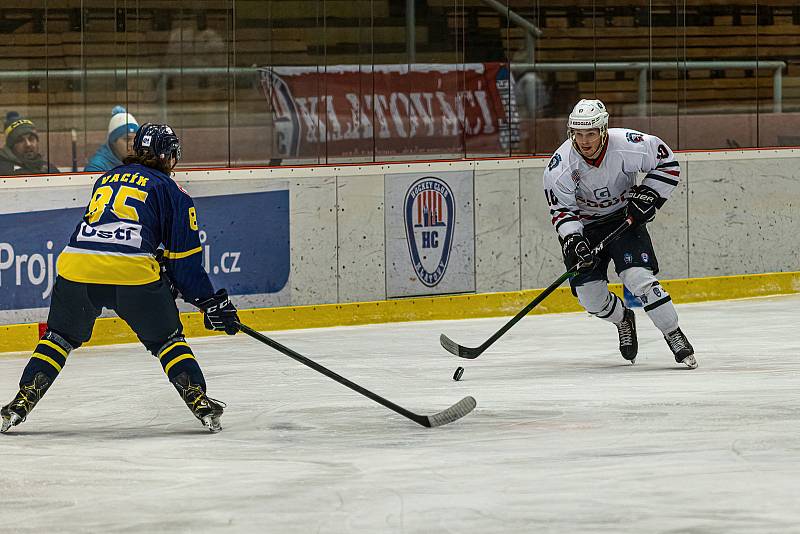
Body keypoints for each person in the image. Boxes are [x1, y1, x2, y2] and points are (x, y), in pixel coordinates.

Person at [1, 123, 240, 434]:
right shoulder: (173, 192)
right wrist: (208, 301)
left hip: (76, 267)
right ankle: (198, 400)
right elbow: (185, 264)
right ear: (169, 156)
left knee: (58, 338)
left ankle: (21, 401)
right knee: (167, 340)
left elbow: (108, 234)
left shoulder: (106, 178)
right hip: (131, 274)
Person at [543, 99, 697, 369]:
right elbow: (562, 211)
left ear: (603, 131)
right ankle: (623, 318)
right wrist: (574, 240)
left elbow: (667, 162)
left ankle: (673, 333)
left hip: (623, 218)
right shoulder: (559, 167)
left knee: (639, 278)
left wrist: (649, 195)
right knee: (591, 299)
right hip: (585, 227)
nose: (585, 141)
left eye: (590, 133)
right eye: (578, 134)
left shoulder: (628, 144)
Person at [84, 106, 140, 172]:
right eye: (127, 139)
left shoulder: (140, 162)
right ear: (113, 142)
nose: (132, 144)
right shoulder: (97, 168)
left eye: (135, 140)